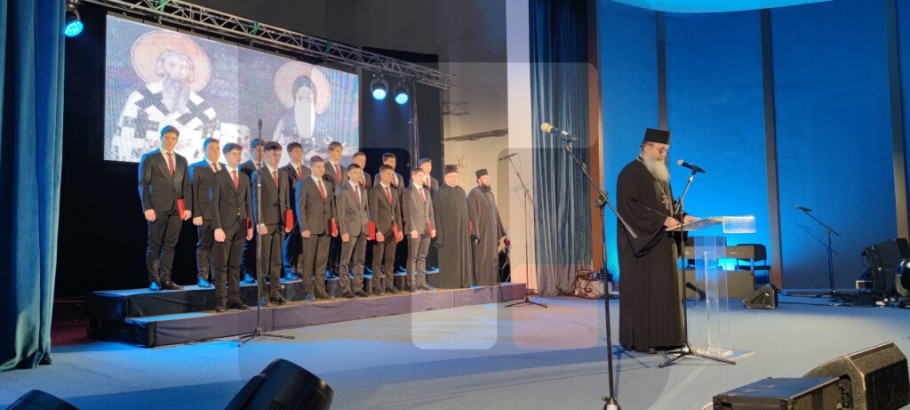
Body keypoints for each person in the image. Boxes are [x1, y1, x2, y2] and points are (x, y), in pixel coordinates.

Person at [616, 128, 696, 354]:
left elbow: (668, 205)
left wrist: (683, 216)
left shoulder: (660, 175)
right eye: (661, 150)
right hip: (642, 246)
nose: (664, 155)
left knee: (664, 293)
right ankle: (645, 340)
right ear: (647, 147)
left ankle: (668, 338)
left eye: (666, 151)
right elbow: (629, 209)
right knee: (646, 293)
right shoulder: (629, 173)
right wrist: (661, 220)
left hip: (664, 244)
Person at [111, 35, 219, 163]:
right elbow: (125, 140)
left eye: (184, 67)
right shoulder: (141, 97)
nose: (177, 72)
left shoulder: (204, 109)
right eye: (172, 65)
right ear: (161, 66)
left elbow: (207, 152)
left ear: (191, 72)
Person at [138, 125, 192, 291]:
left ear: (177, 141)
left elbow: (186, 186)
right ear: (161, 138)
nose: (170, 141)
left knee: (170, 245)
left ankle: (166, 279)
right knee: (154, 244)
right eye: (167, 138)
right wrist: (147, 207)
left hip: (177, 208)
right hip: (157, 207)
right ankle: (154, 280)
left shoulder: (182, 160)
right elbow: (143, 184)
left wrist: (188, 207)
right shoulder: (149, 157)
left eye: (173, 139)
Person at [210, 143, 253, 311]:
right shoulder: (218, 177)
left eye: (239, 154)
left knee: (235, 264)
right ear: (226, 156)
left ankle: (235, 298)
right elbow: (213, 204)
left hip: (240, 225)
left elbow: (248, 202)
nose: (238, 157)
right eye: (234, 154)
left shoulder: (244, 177)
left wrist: (250, 225)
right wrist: (217, 227)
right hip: (224, 225)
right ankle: (221, 300)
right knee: (222, 265)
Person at [251, 141, 291, 307]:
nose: (277, 158)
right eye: (274, 154)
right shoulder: (258, 173)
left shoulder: (283, 174)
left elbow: (286, 200)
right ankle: (263, 294)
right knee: (264, 261)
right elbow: (256, 200)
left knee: (277, 260)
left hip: (280, 222)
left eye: (279, 155)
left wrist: (288, 220)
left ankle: (275, 292)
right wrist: (259, 222)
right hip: (266, 223)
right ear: (266, 154)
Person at [297, 155, 337, 300]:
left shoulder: (327, 185)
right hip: (311, 228)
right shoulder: (304, 183)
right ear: (311, 167)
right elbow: (300, 207)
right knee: (308, 261)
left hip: (326, 228)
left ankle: (320, 290)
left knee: (321, 261)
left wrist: (334, 225)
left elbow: (332, 206)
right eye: (318, 167)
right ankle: (309, 291)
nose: (321, 169)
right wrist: (304, 227)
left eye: (322, 167)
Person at [188, 138, 223, 288]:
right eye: (212, 148)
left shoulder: (224, 167)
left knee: (219, 247)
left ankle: (217, 277)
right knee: (204, 245)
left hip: (222, 215)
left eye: (217, 148)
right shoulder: (196, 167)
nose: (215, 151)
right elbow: (193, 191)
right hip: (205, 213)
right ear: (204, 150)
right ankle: (203, 277)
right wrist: (196, 213)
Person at [433, 165, 473, 288]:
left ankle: (464, 281)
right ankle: (451, 283)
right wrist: (440, 235)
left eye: (456, 176)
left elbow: (466, 211)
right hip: (448, 232)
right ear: (445, 177)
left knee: (463, 256)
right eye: (451, 176)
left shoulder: (461, 191)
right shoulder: (440, 193)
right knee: (450, 257)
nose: (454, 179)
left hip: (462, 232)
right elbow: (437, 215)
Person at [335, 163, 371, 298]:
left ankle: (358, 287)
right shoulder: (343, 190)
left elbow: (366, 211)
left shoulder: (363, 190)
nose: (358, 175)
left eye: (359, 173)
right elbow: (340, 213)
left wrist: (368, 229)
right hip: (349, 229)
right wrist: (343, 231)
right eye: (355, 173)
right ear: (348, 174)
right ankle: (345, 288)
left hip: (363, 228)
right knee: (345, 260)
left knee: (360, 260)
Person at [467, 168, 506, 286]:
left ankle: (493, 282)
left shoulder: (490, 194)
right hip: (482, 233)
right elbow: (472, 214)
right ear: (479, 180)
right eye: (485, 178)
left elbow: (496, 214)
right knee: (482, 259)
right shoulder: (474, 193)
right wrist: (476, 233)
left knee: (493, 258)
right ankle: (481, 283)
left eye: (488, 178)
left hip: (492, 233)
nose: (488, 180)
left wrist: (499, 231)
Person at [369, 164, 404, 295]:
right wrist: (377, 230)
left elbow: (397, 212)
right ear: (382, 175)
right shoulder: (375, 191)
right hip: (380, 229)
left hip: (392, 229)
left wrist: (399, 229)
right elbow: (373, 212)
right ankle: (376, 286)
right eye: (388, 174)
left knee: (390, 259)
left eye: (392, 174)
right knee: (378, 260)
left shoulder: (394, 191)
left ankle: (389, 285)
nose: (391, 176)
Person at [281, 142, 311, 280]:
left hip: (306, 211)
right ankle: (288, 269)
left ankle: (300, 268)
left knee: (302, 241)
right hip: (291, 210)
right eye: (296, 151)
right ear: (289, 153)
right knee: (290, 241)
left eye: (301, 151)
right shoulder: (283, 171)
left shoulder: (307, 170)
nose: (299, 153)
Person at [403, 167, 436, 291]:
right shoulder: (408, 191)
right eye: (419, 176)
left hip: (426, 228)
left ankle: (421, 282)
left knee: (422, 256)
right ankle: (411, 283)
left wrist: (433, 228)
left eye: (423, 176)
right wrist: (412, 229)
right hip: (415, 229)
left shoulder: (426, 192)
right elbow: (407, 212)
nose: (422, 178)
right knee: (413, 257)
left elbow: (431, 211)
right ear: (413, 177)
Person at [240, 138, 266, 283]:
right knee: (249, 244)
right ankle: (246, 272)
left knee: (262, 245)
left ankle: (260, 272)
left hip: (264, 211)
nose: (261, 153)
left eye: (263, 151)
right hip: (249, 209)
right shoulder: (244, 167)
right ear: (251, 150)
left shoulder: (267, 168)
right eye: (258, 150)